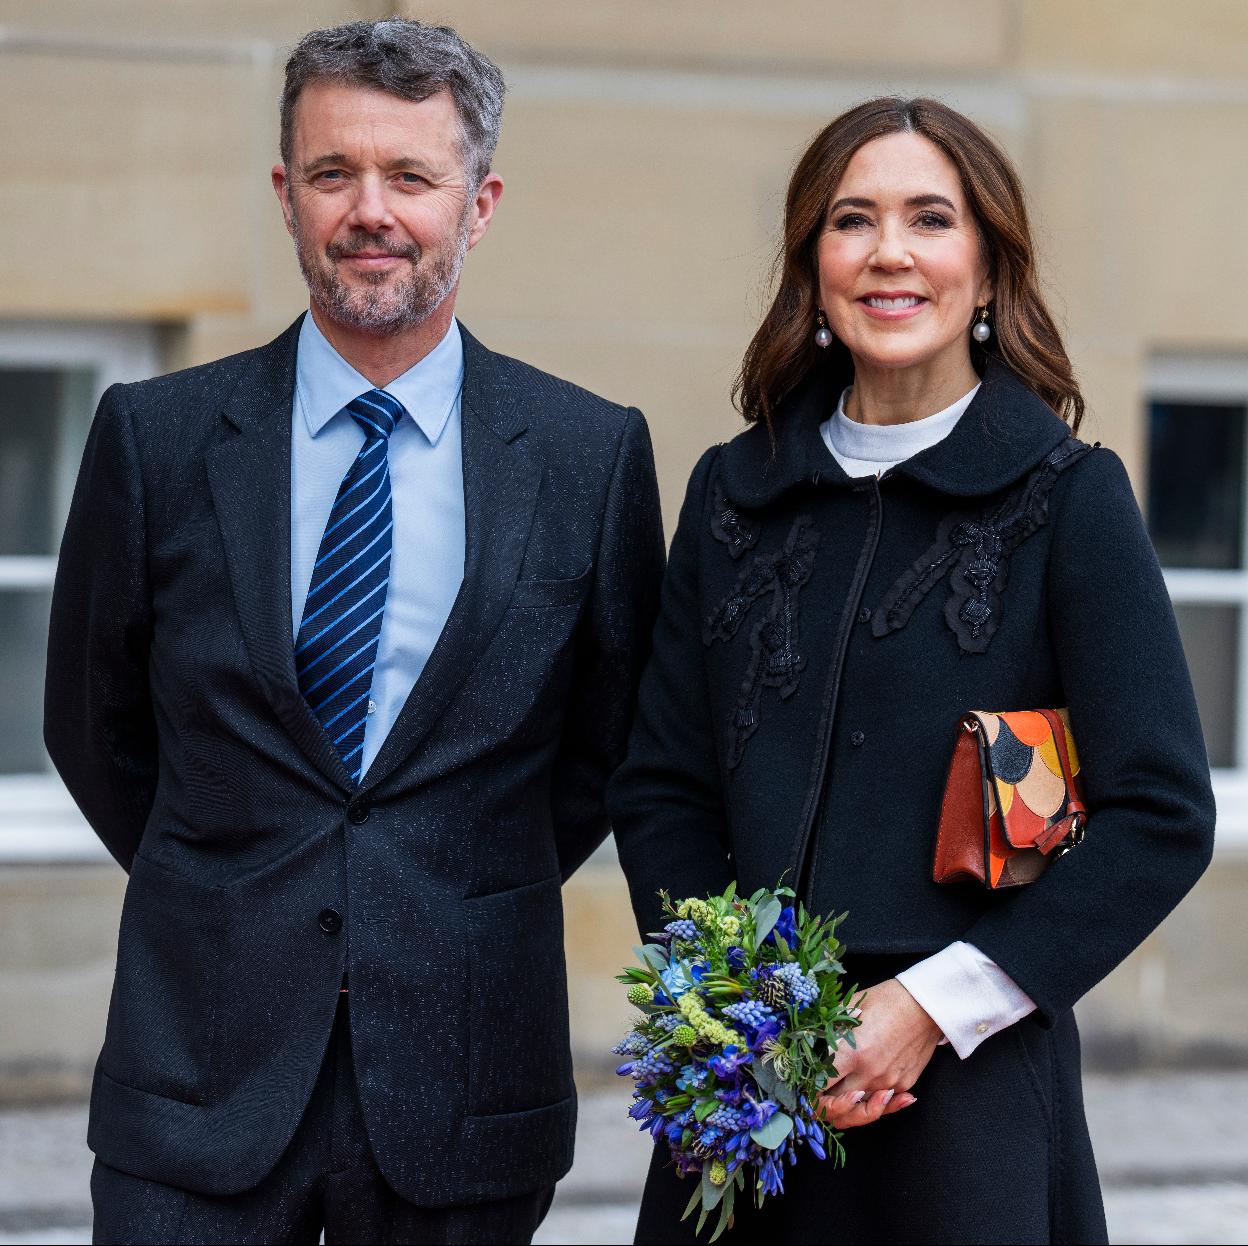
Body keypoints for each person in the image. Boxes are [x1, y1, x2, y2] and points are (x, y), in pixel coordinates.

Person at [45, 18, 664, 1246]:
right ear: (287, 194)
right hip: (198, 1073)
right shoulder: (155, 439)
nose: (369, 210)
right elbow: (90, 724)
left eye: (410, 177)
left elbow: (608, 752)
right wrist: (232, 874)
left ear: (478, 203)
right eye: (334, 174)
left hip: (466, 1079)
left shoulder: (591, 457)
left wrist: (431, 888)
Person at [608, 96, 1214, 1244]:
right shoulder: (734, 494)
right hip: (750, 1096)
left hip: (969, 1108)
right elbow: (661, 786)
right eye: (853, 220)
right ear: (813, 266)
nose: (890, 252)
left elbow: (1163, 813)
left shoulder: (1068, 499)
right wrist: (735, 1009)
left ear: (985, 274)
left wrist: (932, 1007)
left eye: (930, 219)